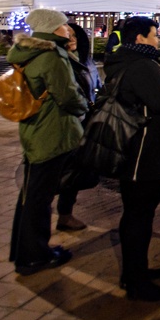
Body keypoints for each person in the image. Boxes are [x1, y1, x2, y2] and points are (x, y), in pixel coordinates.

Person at [104, 16, 160, 301]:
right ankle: (136, 281)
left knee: (136, 214)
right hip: (143, 154)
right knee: (138, 217)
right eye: (155, 35)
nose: (158, 39)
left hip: (136, 151)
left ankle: (135, 271)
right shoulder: (141, 66)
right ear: (140, 38)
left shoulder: (126, 61)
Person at [7, 9, 88, 276]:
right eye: (64, 25)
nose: (68, 29)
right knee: (39, 199)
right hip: (52, 133)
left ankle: (23, 251)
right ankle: (34, 256)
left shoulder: (27, 53)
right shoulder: (52, 56)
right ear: (53, 29)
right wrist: (84, 107)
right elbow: (67, 96)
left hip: (34, 130)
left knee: (30, 195)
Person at [55, 22, 102, 232]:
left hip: (85, 122)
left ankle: (65, 214)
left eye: (75, 35)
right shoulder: (59, 62)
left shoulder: (86, 61)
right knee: (58, 170)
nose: (72, 39)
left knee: (74, 169)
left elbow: (97, 85)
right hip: (64, 124)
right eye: (68, 35)